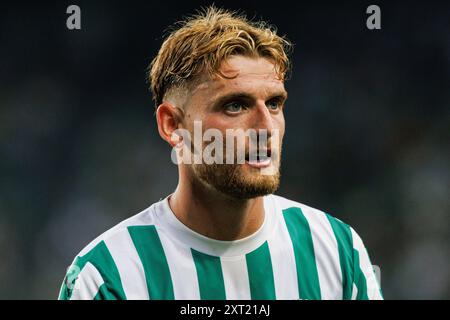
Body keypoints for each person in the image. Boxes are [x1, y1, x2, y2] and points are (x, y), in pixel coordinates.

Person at [58, 6, 383, 300]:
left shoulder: (339, 252)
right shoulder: (108, 275)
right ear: (172, 124)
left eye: (274, 103)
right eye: (235, 105)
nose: (265, 126)